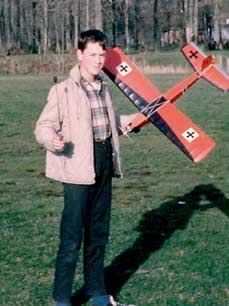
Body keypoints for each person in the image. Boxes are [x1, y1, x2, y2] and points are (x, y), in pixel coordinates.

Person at [35, 29, 136, 306]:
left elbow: (104, 120)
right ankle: (61, 299)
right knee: (71, 239)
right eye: (92, 54)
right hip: (78, 167)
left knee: (99, 233)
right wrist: (51, 140)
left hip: (104, 160)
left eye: (102, 55)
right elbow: (43, 126)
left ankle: (98, 293)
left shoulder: (104, 87)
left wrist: (127, 121)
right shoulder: (63, 90)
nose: (98, 60)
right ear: (79, 55)